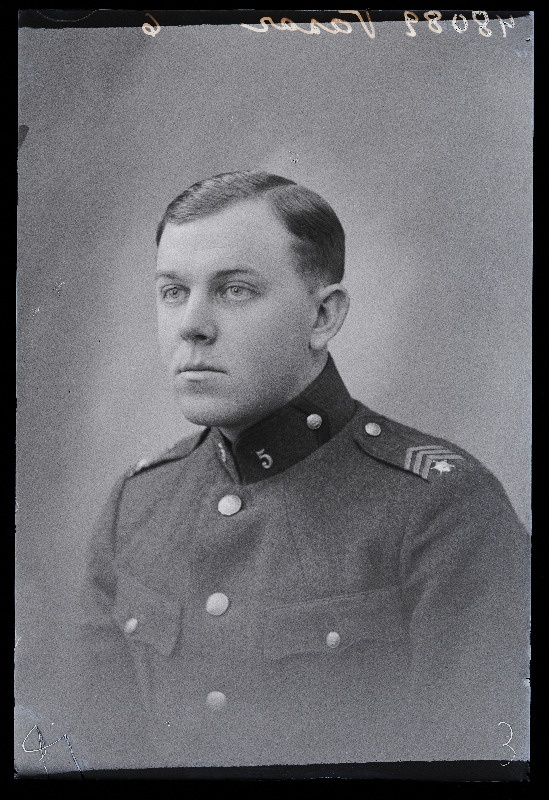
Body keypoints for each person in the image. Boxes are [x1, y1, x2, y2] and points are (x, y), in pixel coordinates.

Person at [74, 171, 530, 770]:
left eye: (235, 290)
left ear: (322, 317)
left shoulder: (442, 508)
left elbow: (477, 756)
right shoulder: (137, 505)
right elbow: (101, 746)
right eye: (173, 291)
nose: (191, 325)